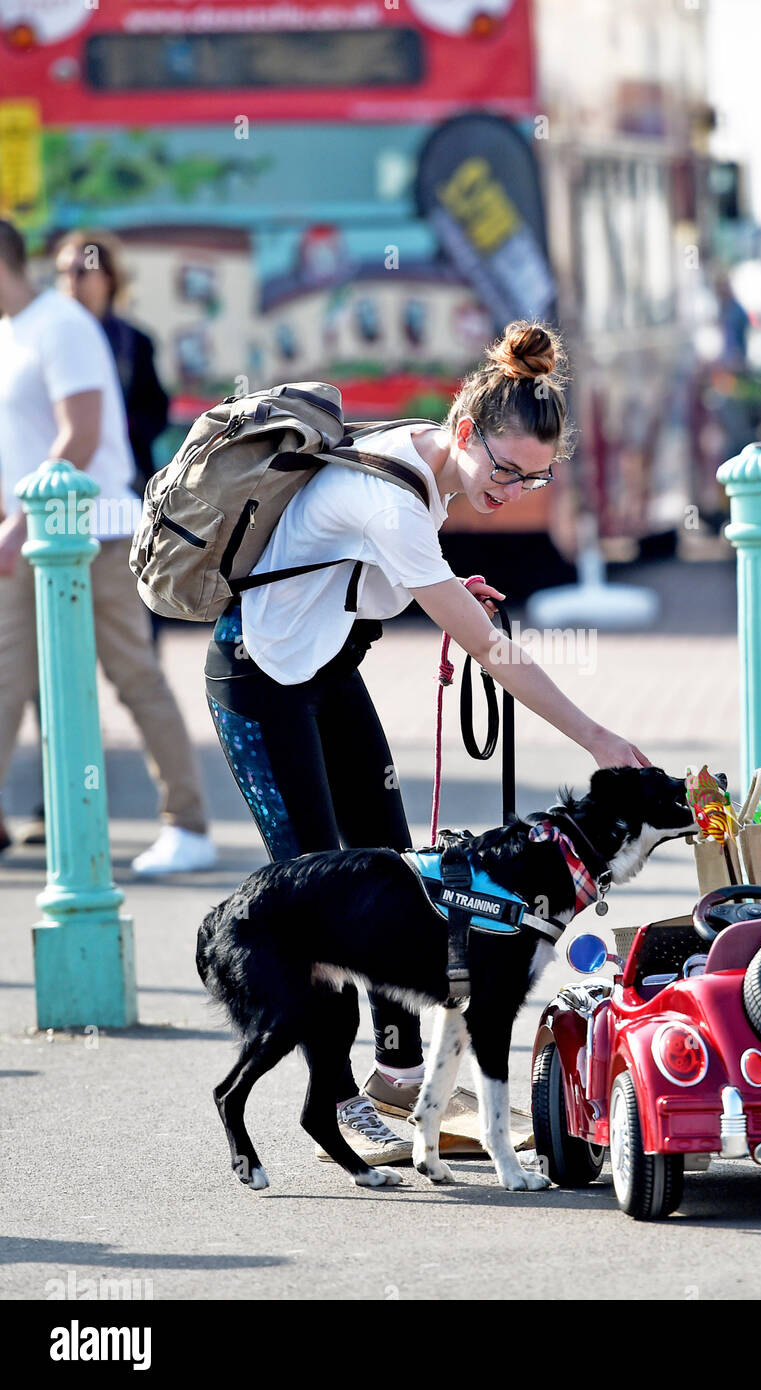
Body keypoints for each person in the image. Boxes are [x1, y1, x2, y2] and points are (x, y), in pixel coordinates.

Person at [203, 320, 650, 1165]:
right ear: (463, 432)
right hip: (258, 678)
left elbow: (359, 560)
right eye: (505, 470)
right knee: (318, 903)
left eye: (536, 476)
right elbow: (491, 650)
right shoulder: (396, 493)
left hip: (325, 670)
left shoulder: (426, 463)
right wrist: (594, 735)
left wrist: (440, 586)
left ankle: (402, 1080)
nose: (515, 489)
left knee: (396, 870)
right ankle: (336, 1104)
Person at [0, 218, 216, 874]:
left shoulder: (60, 324)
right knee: (5, 678)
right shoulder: (10, 334)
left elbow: (83, 434)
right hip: (31, 535)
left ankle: (189, 823)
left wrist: (14, 525)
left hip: (93, 530)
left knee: (132, 675)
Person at [53, 230, 170, 493]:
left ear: (107, 278)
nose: (69, 281)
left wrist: (112, 427)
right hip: (61, 481)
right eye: (62, 272)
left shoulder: (134, 342)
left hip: (120, 486)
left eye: (80, 272)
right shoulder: (50, 339)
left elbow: (156, 412)